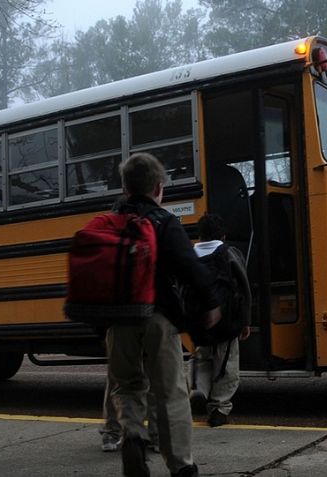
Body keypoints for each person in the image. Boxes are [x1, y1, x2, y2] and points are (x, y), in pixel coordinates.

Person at [106, 152, 221, 477]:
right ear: (159, 187)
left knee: (126, 386)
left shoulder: (110, 223)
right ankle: (181, 465)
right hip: (158, 316)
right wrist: (210, 303)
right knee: (170, 391)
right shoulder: (164, 221)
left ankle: (132, 436)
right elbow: (190, 267)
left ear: (126, 188)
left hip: (118, 320)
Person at [188, 213, 252, 427]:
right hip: (227, 321)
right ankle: (219, 408)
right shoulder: (230, 253)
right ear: (223, 235)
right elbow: (243, 288)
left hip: (199, 323)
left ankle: (198, 390)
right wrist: (245, 321)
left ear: (200, 234)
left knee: (202, 358)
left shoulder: (190, 255)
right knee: (226, 364)